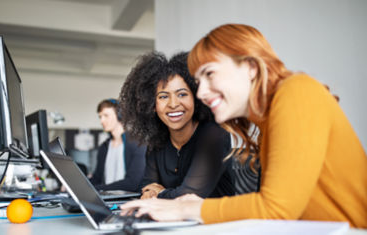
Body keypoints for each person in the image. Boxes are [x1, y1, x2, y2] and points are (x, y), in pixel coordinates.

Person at [120, 24, 367, 228]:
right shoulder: (269, 121)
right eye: (198, 81)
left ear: (250, 66)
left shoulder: (296, 92)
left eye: (210, 74)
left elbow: (276, 208)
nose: (202, 93)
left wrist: (185, 207)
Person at [119, 51, 236, 199]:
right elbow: (146, 187)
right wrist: (152, 192)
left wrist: (160, 193)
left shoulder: (214, 136)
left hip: (216, 221)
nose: (173, 104)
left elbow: (190, 196)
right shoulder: (157, 142)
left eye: (182, 94)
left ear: (196, 98)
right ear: (152, 104)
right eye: (163, 96)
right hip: (173, 220)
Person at [89, 99, 146, 192]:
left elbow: (132, 183)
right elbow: (97, 179)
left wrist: (96, 189)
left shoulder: (138, 144)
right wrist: (75, 187)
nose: (102, 121)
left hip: (128, 201)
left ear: (120, 116)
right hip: (106, 200)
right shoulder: (104, 147)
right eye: (100, 117)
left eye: (106, 116)